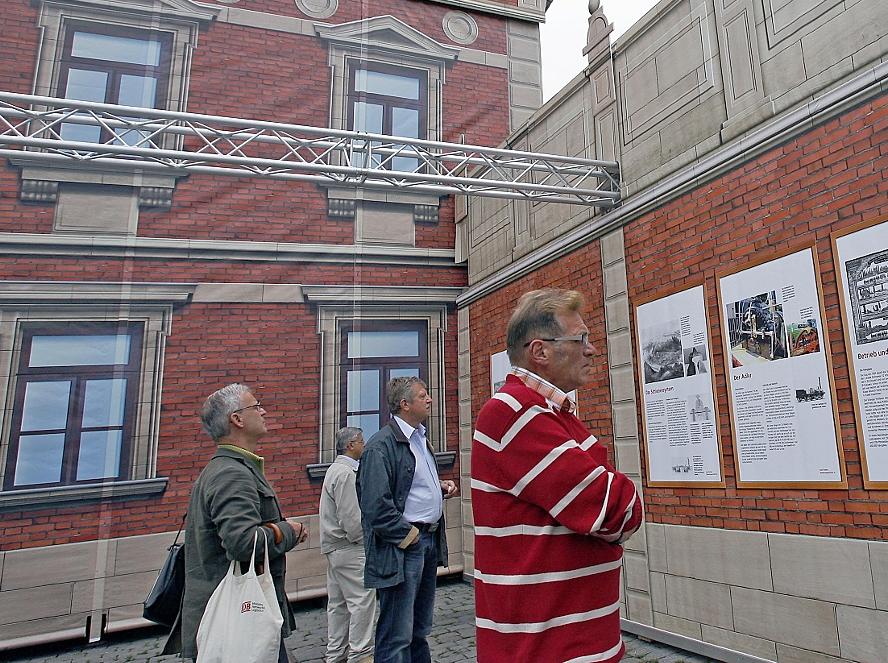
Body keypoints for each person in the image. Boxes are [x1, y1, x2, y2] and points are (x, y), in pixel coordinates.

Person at [472, 289, 644, 663]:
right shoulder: (516, 412)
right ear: (540, 352)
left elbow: (601, 494)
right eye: (580, 338)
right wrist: (601, 471)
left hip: (569, 642)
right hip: (546, 648)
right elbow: (619, 508)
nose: (591, 349)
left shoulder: (549, 413)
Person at [169, 383, 308, 662]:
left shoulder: (233, 467)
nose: (264, 411)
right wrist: (288, 531)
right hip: (240, 618)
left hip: (243, 613)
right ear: (237, 419)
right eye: (256, 406)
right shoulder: (231, 474)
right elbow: (243, 543)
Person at [356, 377, 458, 663]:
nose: (429, 400)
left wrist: (439, 487)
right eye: (423, 395)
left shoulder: (420, 438)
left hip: (426, 540)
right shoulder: (380, 446)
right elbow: (376, 505)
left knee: (419, 629)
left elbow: (408, 485)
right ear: (404, 404)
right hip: (403, 547)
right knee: (397, 633)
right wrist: (409, 537)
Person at [319, 427, 376, 663]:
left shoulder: (336, 470)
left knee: (338, 605)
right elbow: (352, 520)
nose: (364, 445)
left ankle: (335, 654)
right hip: (350, 548)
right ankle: (360, 653)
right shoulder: (345, 474)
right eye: (361, 441)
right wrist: (367, 540)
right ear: (351, 445)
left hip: (335, 548)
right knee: (362, 602)